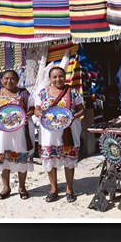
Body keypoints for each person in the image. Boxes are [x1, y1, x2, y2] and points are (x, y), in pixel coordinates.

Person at [34, 66, 85, 203]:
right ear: (50, 79)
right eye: (54, 77)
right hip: (49, 133)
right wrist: (41, 115)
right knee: (50, 160)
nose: (58, 79)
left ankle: (69, 189)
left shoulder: (73, 92)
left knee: (69, 160)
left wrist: (74, 116)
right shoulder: (43, 93)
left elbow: (81, 110)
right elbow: (37, 110)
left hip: (68, 132)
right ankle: (54, 189)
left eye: (61, 76)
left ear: (65, 77)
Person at [0, 70, 35, 200]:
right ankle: (6, 187)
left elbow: (32, 109)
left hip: (21, 132)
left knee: (22, 155)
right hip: (1, 133)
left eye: (12, 79)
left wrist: (25, 116)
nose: (9, 81)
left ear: (17, 81)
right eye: (6, 78)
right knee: (2, 157)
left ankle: (22, 187)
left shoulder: (24, 93)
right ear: (1, 80)